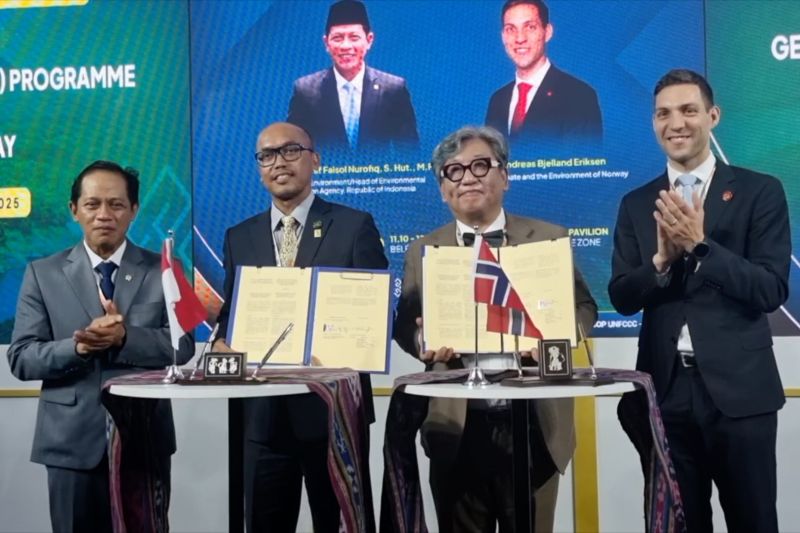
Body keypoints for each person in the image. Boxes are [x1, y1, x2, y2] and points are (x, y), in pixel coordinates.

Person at [609, 68, 790, 533]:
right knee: (679, 524)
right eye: (663, 114)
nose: (676, 123)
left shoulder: (760, 191)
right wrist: (659, 264)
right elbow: (622, 296)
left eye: (689, 110)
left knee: (754, 522)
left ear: (713, 116)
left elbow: (770, 289)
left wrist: (701, 246)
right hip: (665, 394)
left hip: (741, 392)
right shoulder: (636, 203)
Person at [394, 125, 597, 532]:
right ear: (442, 189)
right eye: (454, 171)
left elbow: (584, 307)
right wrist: (423, 341)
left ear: (504, 176)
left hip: (534, 425)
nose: (467, 178)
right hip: (456, 426)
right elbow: (406, 326)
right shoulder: (422, 250)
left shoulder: (548, 237)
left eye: (480, 166)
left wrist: (555, 334)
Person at [212, 121, 388, 532]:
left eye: (290, 151)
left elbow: (376, 309)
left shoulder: (353, 225)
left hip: (332, 413)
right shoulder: (239, 236)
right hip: (262, 416)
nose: (279, 163)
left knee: (342, 524)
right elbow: (231, 313)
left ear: (315, 160)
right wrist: (221, 341)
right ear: (259, 168)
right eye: (267, 156)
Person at [7, 160, 194, 533]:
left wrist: (125, 337)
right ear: (74, 210)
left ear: (134, 210)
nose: (104, 214)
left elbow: (184, 346)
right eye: (92, 204)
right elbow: (22, 357)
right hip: (70, 444)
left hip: (144, 439)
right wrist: (79, 347)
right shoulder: (42, 273)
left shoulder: (166, 269)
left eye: (116, 204)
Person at [287, 0, 419, 152]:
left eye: (354, 37)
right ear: (326, 43)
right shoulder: (306, 90)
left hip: (376, 168)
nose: (346, 46)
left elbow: (409, 150)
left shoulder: (393, 88)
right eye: (337, 38)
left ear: (369, 40)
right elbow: (294, 147)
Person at [485, 0, 602, 151]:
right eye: (511, 29)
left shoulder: (579, 96)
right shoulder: (498, 100)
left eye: (530, 27)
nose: (520, 38)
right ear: (503, 36)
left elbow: (584, 162)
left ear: (547, 32)